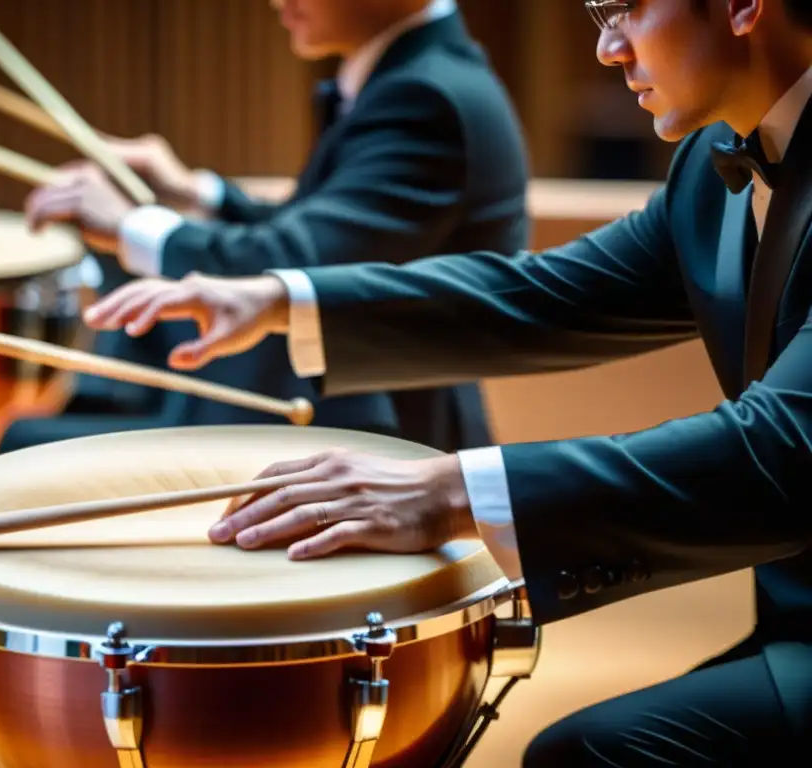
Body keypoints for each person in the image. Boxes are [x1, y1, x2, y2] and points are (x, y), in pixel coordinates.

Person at [69, 0, 812, 763]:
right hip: (791, 620)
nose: (608, 48)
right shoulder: (713, 158)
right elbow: (547, 295)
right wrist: (277, 299)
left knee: (579, 756)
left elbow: (784, 453)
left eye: (625, 6)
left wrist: (449, 493)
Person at [0, 0, 530, 455]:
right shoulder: (420, 75)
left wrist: (129, 225)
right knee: (50, 424)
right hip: (333, 412)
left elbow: (297, 260)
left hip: (375, 439)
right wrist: (198, 192)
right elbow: (325, 234)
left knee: (20, 452)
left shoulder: (428, 97)